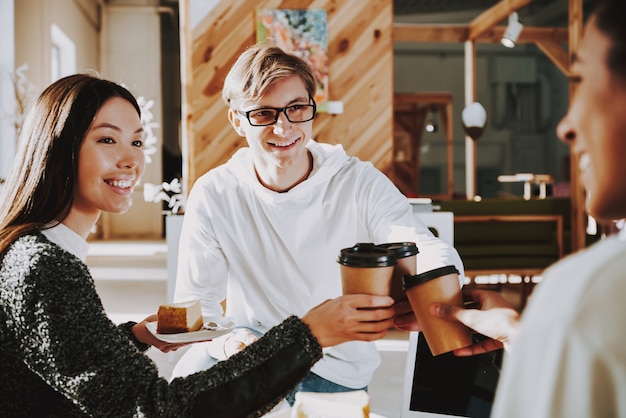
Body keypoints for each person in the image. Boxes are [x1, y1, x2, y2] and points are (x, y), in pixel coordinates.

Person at [0, 73, 397, 417]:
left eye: (137, 143)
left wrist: (136, 336)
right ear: (58, 149)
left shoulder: (31, 253)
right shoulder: (45, 268)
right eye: (108, 139)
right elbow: (156, 408)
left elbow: (60, 363)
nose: (130, 161)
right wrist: (308, 335)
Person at [172, 43, 464, 403]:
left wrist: (439, 289)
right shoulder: (215, 191)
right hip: (255, 356)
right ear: (236, 120)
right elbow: (196, 303)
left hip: (335, 366)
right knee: (184, 378)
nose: (283, 127)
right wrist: (232, 341)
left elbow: (418, 243)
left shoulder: (358, 181)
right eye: (264, 113)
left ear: (312, 109)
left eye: (296, 108)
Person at [398, 0, 626, 416]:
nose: (566, 125)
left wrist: (552, 330)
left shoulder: (587, 295)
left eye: (581, 81)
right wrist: (529, 336)